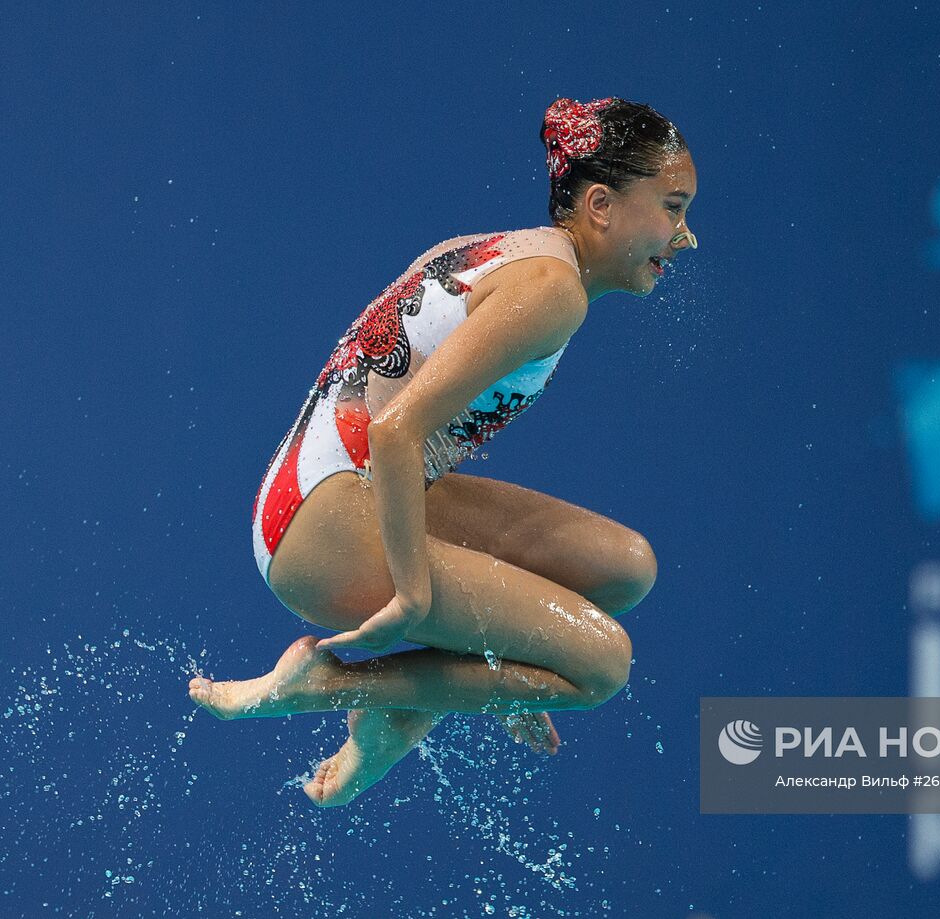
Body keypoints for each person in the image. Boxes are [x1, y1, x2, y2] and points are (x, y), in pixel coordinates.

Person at [187, 97, 698, 807]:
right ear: (602, 205)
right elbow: (396, 430)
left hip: (327, 490)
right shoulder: (553, 292)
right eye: (673, 208)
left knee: (623, 568)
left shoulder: (515, 255)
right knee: (602, 665)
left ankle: (414, 701)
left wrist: (501, 656)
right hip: (318, 526)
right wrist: (414, 595)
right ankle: (332, 686)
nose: (686, 236)